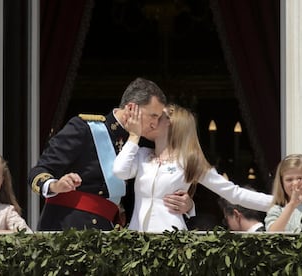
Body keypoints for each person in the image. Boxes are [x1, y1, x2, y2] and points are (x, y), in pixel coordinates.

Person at [28, 77, 194, 231]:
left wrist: (188, 205)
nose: (155, 123)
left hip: (109, 232)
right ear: (130, 108)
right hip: (68, 229)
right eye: (153, 116)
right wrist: (56, 185)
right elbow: (37, 173)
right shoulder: (85, 129)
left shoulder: (142, 143)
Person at [113, 103, 273, 232]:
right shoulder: (141, 154)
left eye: (157, 116)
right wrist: (134, 136)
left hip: (171, 241)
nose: (151, 121)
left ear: (170, 124)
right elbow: (120, 171)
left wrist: (283, 203)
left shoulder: (189, 161)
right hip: (138, 240)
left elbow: (233, 193)